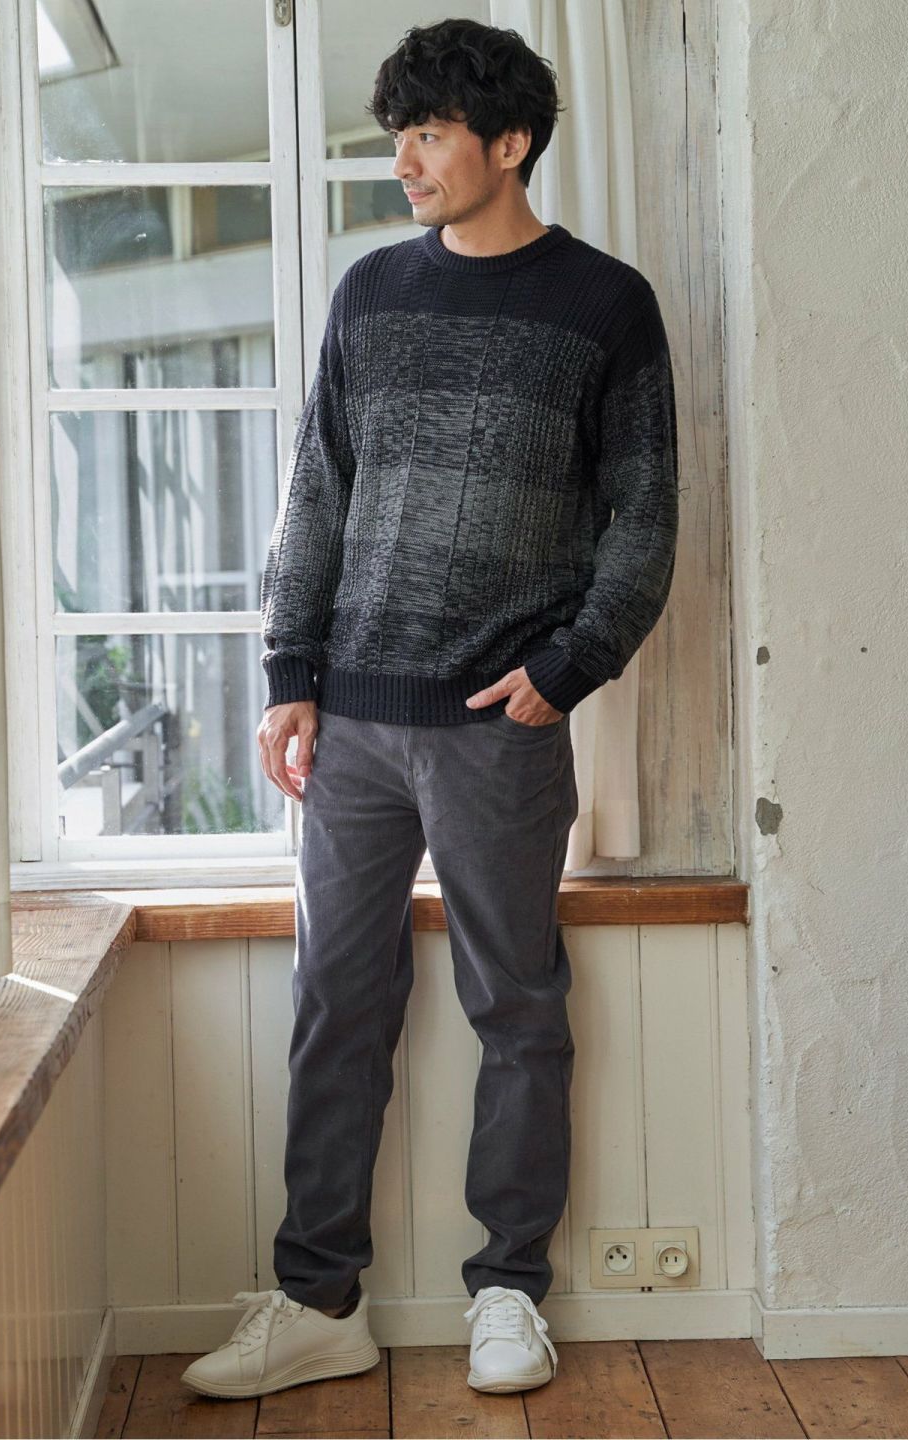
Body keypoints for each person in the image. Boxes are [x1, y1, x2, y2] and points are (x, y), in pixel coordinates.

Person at [181, 15, 678, 1403]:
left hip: (500, 725)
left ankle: (509, 1291)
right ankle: (316, 1300)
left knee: (516, 1005)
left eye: (428, 134)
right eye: (397, 134)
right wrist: (290, 673)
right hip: (351, 724)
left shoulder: (606, 306)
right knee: (336, 1002)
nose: (402, 160)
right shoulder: (370, 293)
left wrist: (570, 669)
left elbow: (645, 516)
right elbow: (318, 492)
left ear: (508, 143)